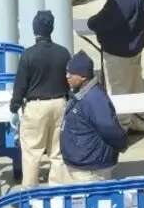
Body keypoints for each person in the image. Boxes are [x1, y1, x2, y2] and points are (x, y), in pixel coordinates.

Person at [87, 0, 144, 132]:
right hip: (134, 48)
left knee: (118, 89)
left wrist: (92, 23)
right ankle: (139, 122)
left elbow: (108, 19)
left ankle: (121, 126)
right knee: (135, 86)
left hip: (119, 50)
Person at [10, 10, 70, 187]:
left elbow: (20, 85)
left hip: (36, 107)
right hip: (60, 104)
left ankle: (31, 193)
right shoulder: (63, 53)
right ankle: (58, 192)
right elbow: (69, 80)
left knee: (32, 153)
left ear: (34, 29)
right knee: (57, 153)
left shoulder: (28, 55)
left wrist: (14, 106)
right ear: (52, 28)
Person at [52, 50, 127, 183]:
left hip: (91, 170)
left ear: (83, 76)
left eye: (71, 73)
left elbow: (110, 130)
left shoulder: (95, 99)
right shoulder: (81, 94)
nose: (67, 76)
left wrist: (122, 144)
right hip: (83, 165)